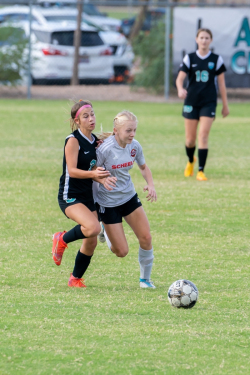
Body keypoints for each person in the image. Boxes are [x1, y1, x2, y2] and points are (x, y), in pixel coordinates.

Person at [52, 99, 116, 288]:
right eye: (85, 116)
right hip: (70, 195)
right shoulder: (72, 140)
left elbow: (92, 167)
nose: (91, 119)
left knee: (91, 241)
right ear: (77, 121)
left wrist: (102, 177)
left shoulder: (95, 141)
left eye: (93, 114)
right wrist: (93, 174)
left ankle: (75, 279)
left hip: (87, 196)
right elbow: (72, 170)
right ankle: (61, 239)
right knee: (94, 228)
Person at [95, 110, 157, 289]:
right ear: (116, 130)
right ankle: (105, 230)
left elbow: (144, 167)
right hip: (108, 203)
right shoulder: (105, 149)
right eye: (128, 130)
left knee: (146, 237)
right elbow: (92, 173)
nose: (132, 134)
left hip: (129, 197)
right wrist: (102, 179)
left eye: (134, 130)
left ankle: (145, 280)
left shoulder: (134, 146)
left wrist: (150, 184)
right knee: (121, 251)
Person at [176, 28, 229, 181]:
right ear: (196, 39)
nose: (204, 40)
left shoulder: (216, 59)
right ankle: (191, 161)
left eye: (207, 38)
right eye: (202, 37)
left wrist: (225, 105)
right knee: (190, 140)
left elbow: (222, 85)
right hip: (191, 102)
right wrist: (180, 89)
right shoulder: (190, 58)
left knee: (203, 136)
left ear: (211, 40)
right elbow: (180, 79)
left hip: (209, 102)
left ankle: (201, 171)